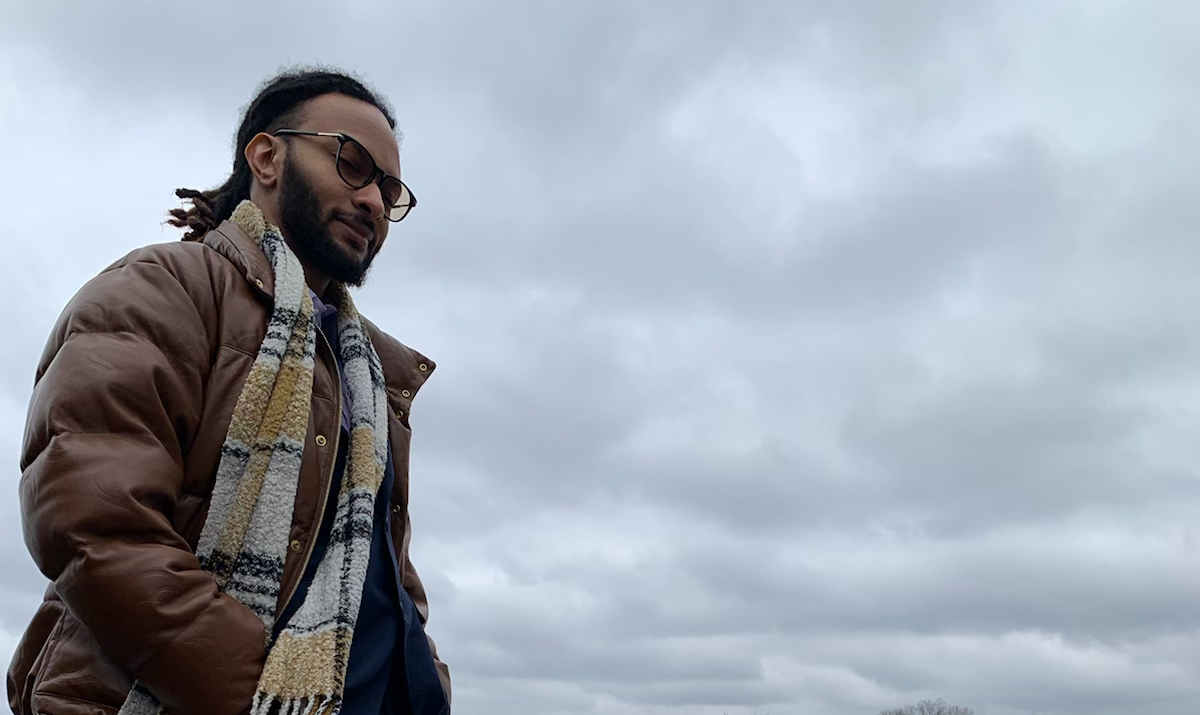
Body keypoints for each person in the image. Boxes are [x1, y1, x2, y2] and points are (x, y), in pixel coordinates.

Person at [6, 67, 451, 715]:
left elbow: (389, 570)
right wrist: (262, 697)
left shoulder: (375, 371)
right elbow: (95, 524)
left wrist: (425, 677)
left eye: (390, 189)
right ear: (268, 157)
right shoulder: (162, 288)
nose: (375, 202)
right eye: (352, 165)